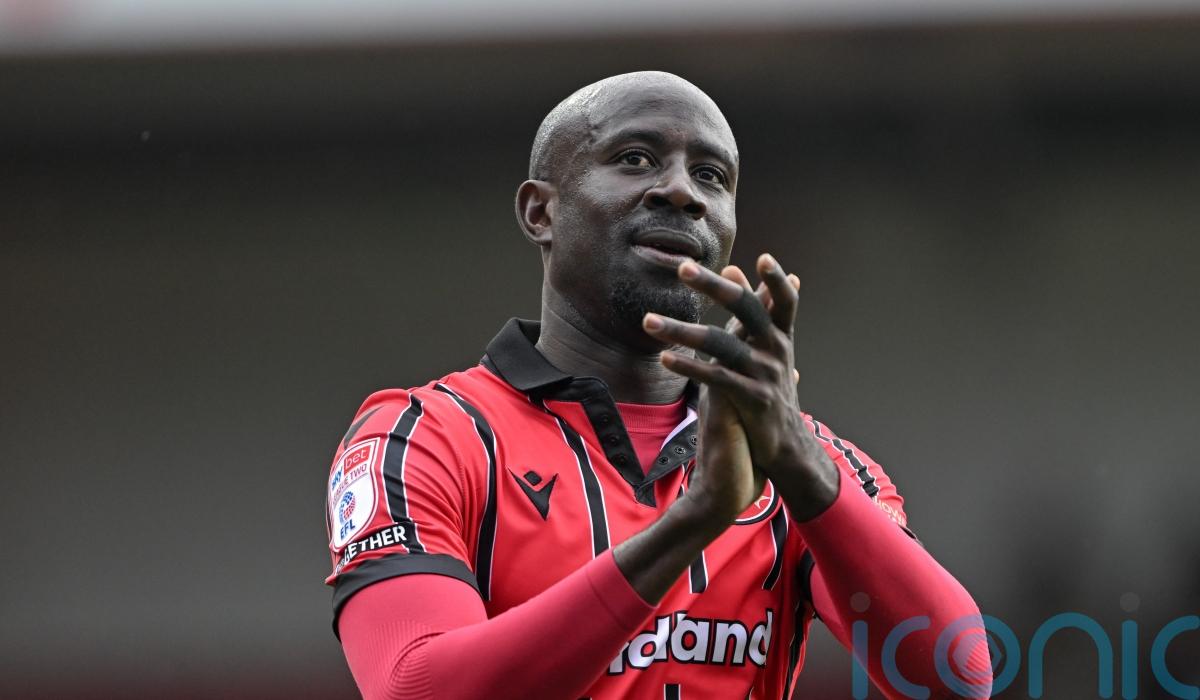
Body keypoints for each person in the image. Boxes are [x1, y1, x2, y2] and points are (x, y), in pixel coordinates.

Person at [324, 71, 991, 699]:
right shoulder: (424, 439)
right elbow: (416, 686)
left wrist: (797, 461)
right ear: (540, 212)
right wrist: (692, 523)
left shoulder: (804, 464)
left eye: (710, 176)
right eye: (636, 159)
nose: (681, 191)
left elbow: (958, 677)